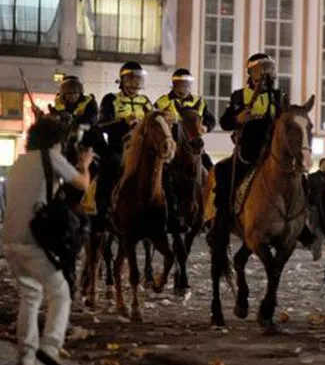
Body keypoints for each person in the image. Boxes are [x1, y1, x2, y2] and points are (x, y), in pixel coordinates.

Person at [2, 116, 94, 365]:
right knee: (60, 292)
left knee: (31, 294)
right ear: (56, 141)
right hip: (34, 240)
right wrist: (84, 164)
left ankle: (27, 355)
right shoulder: (51, 157)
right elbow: (81, 184)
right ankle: (51, 346)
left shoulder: (18, 162)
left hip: (10, 242)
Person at [213, 53, 284, 225]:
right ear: (251, 73)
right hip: (247, 151)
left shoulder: (278, 96)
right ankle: (221, 225)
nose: (266, 74)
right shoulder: (239, 96)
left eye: (269, 70)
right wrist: (238, 119)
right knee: (223, 172)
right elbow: (224, 122)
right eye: (261, 70)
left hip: (272, 151)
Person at [95, 62, 153, 230]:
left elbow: (153, 121)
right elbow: (102, 125)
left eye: (138, 80)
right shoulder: (111, 99)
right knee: (109, 169)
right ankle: (102, 213)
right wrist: (123, 122)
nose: (135, 85)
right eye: (131, 80)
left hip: (143, 148)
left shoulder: (146, 101)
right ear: (122, 80)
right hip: (119, 146)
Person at [155, 68, 217, 169]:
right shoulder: (163, 101)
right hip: (172, 144)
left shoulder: (199, 101)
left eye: (187, 84)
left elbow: (211, 120)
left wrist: (205, 127)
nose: (185, 87)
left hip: (194, 143)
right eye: (182, 84)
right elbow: (155, 120)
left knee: (210, 167)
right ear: (174, 84)